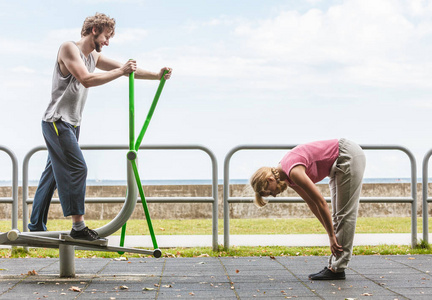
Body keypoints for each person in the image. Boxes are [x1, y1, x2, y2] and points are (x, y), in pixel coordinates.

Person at [28, 13, 172, 242]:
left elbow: (128, 70)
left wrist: (157, 75)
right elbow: (86, 79)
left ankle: (35, 225)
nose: (107, 42)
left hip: (71, 124)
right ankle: (78, 227)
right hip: (57, 121)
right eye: (107, 36)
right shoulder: (68, 48)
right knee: (77, 169)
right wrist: (121, 71)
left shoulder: (92, 56)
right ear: (94, 30)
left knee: (52, 176)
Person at [250, 139, 366, 280]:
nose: (273, 195)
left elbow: (321, 202)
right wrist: (330, 232)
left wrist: (330, 236)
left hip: (347, 154)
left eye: (269, 192)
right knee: (337, 217)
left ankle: (337, 269)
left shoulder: (293, 171)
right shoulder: (287, 176)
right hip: (339, 160)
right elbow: (311, 203)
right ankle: (334, 267)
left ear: (270, 180)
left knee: (344, 214)